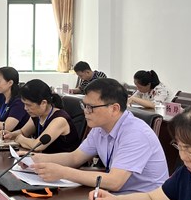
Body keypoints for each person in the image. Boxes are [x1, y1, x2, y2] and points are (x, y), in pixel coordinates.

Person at [31, 78, 169, 193]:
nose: (85, 111)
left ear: (114, 109)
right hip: (115, 197)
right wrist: (34, 159)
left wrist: (64, 172)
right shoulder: (99, 128)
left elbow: (115, 182)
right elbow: (75, 158)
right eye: (84, 106)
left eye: (90, 107)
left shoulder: (136, 133)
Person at [7, 79, 80, 153]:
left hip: (61, 159)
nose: (25, 108)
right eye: (24, 104)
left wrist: (20, 139)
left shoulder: (59, 119)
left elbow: (37, 146)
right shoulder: (37, 115)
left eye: (29, 105)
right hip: (43, 158)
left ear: (43, 103)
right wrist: (11, 135)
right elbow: (23, 132)